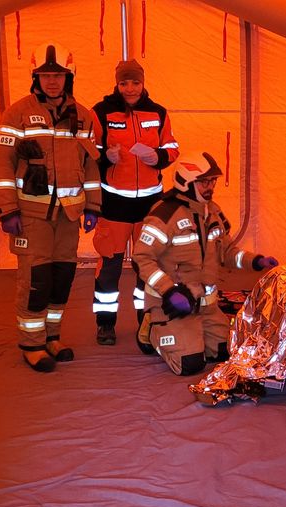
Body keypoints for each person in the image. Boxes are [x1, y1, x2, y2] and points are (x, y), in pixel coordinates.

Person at [0, 42, 102, 373]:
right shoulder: (17, 113)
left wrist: (93, 206)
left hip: (68, 214)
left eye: (58, 75)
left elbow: (92, 164)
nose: (52, 81)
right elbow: (1, 164)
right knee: (35, 278)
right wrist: (8, 210)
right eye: (45, 75)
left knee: (61, 276)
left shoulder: (83, 115)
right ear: (35, 77)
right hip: (30, 214)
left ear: (69, 77)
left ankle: (52, 336)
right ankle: (32, 344)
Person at [131, 152, 279, 375]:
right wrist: (169, 291)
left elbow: (227, 252)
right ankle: (152, 328)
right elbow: (141, 258)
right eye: (204, 182)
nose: (211, 187)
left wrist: (256, 262)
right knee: (190, 364)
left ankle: (194, 332)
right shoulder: (164, 214)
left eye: (213, 181)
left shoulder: (213, 212)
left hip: (206, 306)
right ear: (186, 183)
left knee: (224, 353)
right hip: (173, 305)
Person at [90, 59, 180, 349]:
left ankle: (147, 320)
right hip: (114, 204)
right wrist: (106, 158)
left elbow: (171, 146)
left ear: (143, 83)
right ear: (116, 84)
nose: (130, 88)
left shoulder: (158, 112)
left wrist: (160, 157)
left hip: (150, 205)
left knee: (148, 266)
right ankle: (105, 324)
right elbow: (88, 150)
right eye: (124, 83)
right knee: (110, 268)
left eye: (135, 82)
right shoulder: (101, 112)